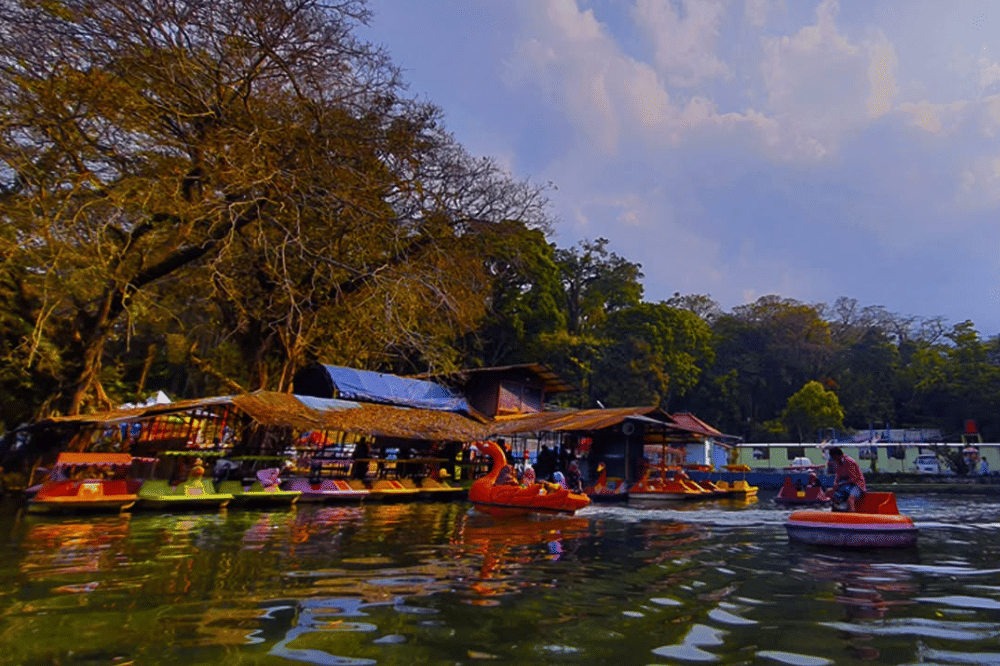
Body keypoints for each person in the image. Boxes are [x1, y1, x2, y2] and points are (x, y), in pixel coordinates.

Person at [825, 447, 866, 511]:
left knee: (850, 499)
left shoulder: (849, 462)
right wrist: (835, 484)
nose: (833, 459)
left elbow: (854, 479)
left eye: (834, 457)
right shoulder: (837, 463)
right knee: (829, 492)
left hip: (857, 485)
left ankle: (853, 517)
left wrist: (840, 484)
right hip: (846, 486)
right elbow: (838, 475)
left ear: (838, 455)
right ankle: (836, 511)